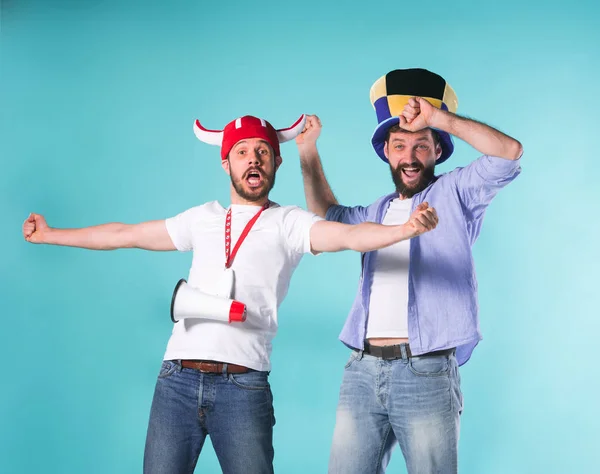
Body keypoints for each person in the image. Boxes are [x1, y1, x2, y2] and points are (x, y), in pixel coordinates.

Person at [22, 113, 439, 474]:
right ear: (226, 163)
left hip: (243, 387)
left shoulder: (289, 223)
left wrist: (403, 229)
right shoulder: (202, 218)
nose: (253, 158)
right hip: (176, 381)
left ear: (276, 161)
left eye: (262, 151)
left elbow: (349, 236)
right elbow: (124, 234)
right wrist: (50, 235)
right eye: (242, 152)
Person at [296, 68, 523, 474]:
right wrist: (308, 150)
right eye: (399, 145)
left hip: (426, 369)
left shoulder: (456, 193)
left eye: (422, 145)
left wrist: (437, 118)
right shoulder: (377, 212)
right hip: (362, 371)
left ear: (438, 151)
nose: (410, 156)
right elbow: (326, 216)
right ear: (387, 152)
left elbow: (508, 152)